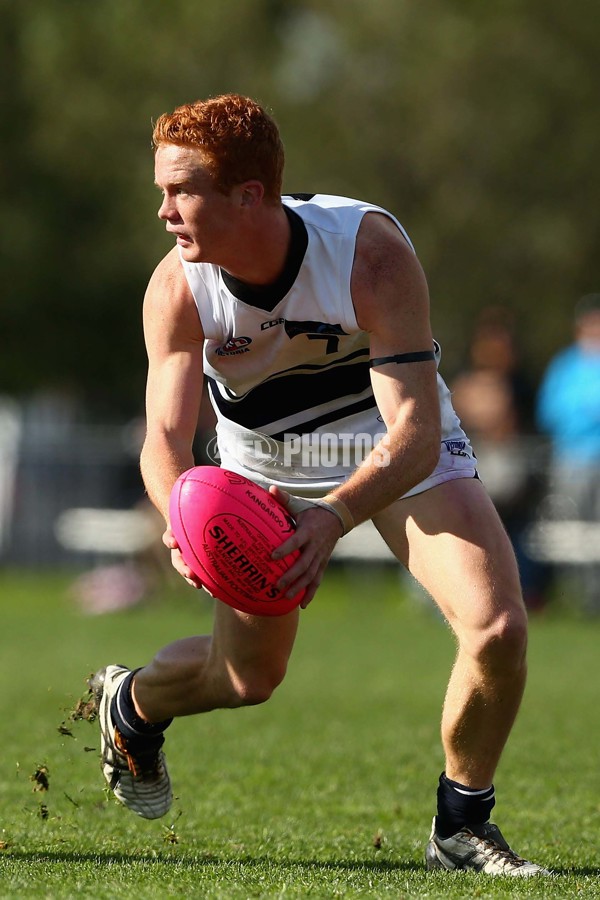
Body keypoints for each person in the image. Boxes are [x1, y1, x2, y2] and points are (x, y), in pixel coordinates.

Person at [88, 93, 549, 876]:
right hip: (261, 465)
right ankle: (131, 705)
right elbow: (162, 442)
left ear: (249, 195)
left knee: (496, 629)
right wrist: (178, 520)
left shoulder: (367, 251)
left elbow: (414, 433)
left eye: (180, 191)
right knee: (245, 679)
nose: (163, 211)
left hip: (386, 443)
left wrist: (334, 518)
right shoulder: (177, 289)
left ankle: (460, 828)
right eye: (160, 191)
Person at [536, 293, 600, 613]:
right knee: (572, 527)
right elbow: (549, 409)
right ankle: (576, 597)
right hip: (571, 459)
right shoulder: (566, 364)